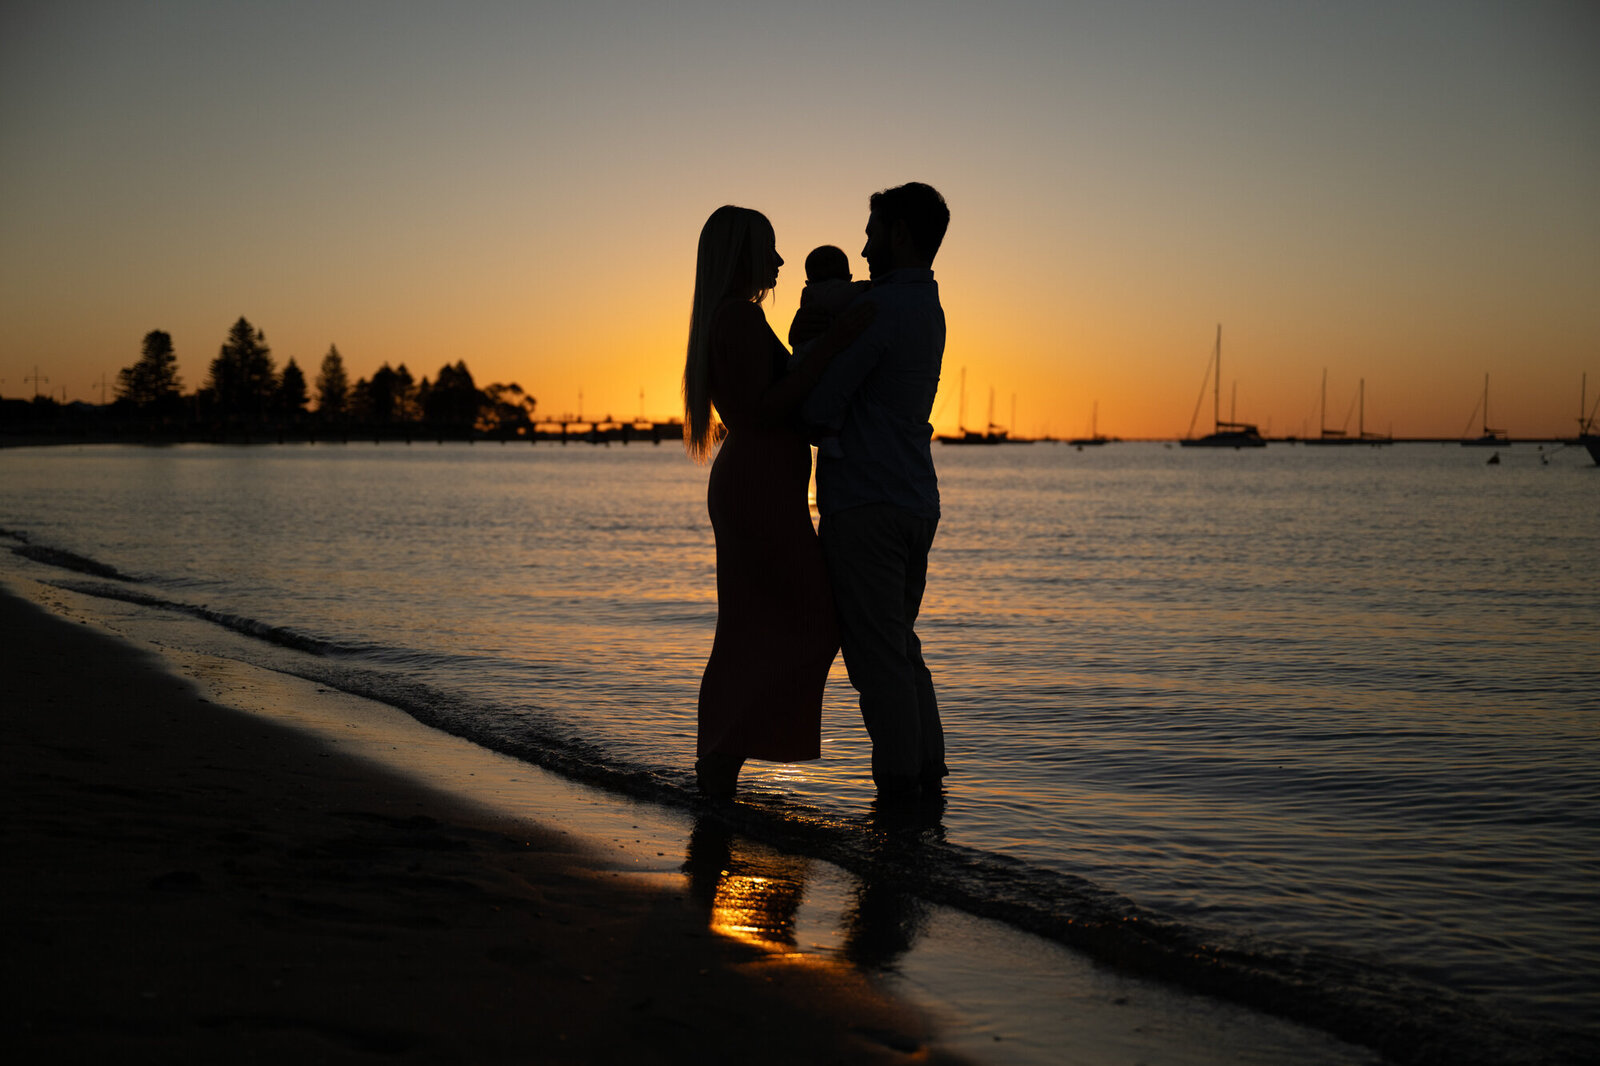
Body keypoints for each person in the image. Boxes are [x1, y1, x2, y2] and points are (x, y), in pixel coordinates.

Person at [682, 206, 865, 800]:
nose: (782, 262)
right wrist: (832, 345)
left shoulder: (736, 316)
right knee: (814, 619)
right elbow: (762, 408)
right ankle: (721, 762)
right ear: (743, 255)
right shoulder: (736, 317)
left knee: (747, 629)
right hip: (758, 488)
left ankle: (719, 769)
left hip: (762, 487)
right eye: (770, 249)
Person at [800, 182, 950, 799]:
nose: (861, 249)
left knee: (878, 660)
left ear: (899, 234)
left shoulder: (880, 310)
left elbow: (819, 406)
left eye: (870, 233)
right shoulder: (926, 306)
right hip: (913, 500)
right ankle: (926, 787)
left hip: (868, 503)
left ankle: (898, 801)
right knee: (900, 649)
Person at [787, 245, 868, 459]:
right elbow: (840, 295)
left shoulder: (812, 291)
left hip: (805, 359)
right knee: (836, 394)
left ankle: (826, 435)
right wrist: (866, 287)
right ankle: (829, 435)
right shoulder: (827, 292)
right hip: (816, 355)